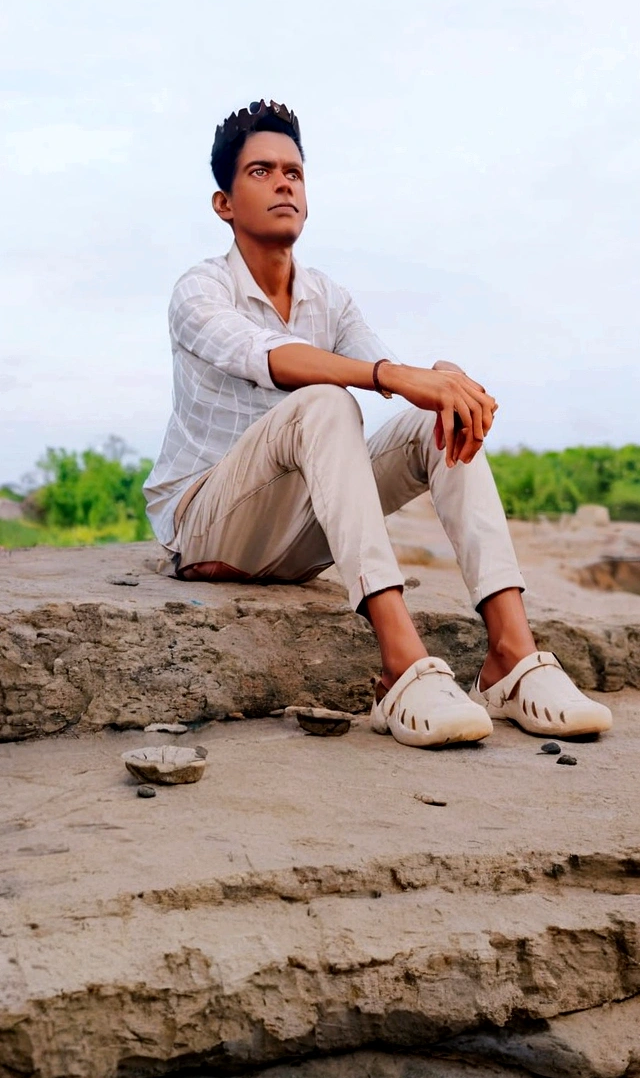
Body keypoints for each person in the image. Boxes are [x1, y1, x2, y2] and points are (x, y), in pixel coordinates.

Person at [143, 99, 612, 748]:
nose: (284, 182)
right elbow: (276, 361)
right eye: (261, 171)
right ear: (224, 202)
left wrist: (442, 379)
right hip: (207, 527)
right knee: (326, 398)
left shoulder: (327, 296)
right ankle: (401, 668)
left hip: (295, 533)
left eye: (294, 172)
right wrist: (394, 377)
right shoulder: (199, 290)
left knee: (433, 420)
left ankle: (510, 655)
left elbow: (382, 365)